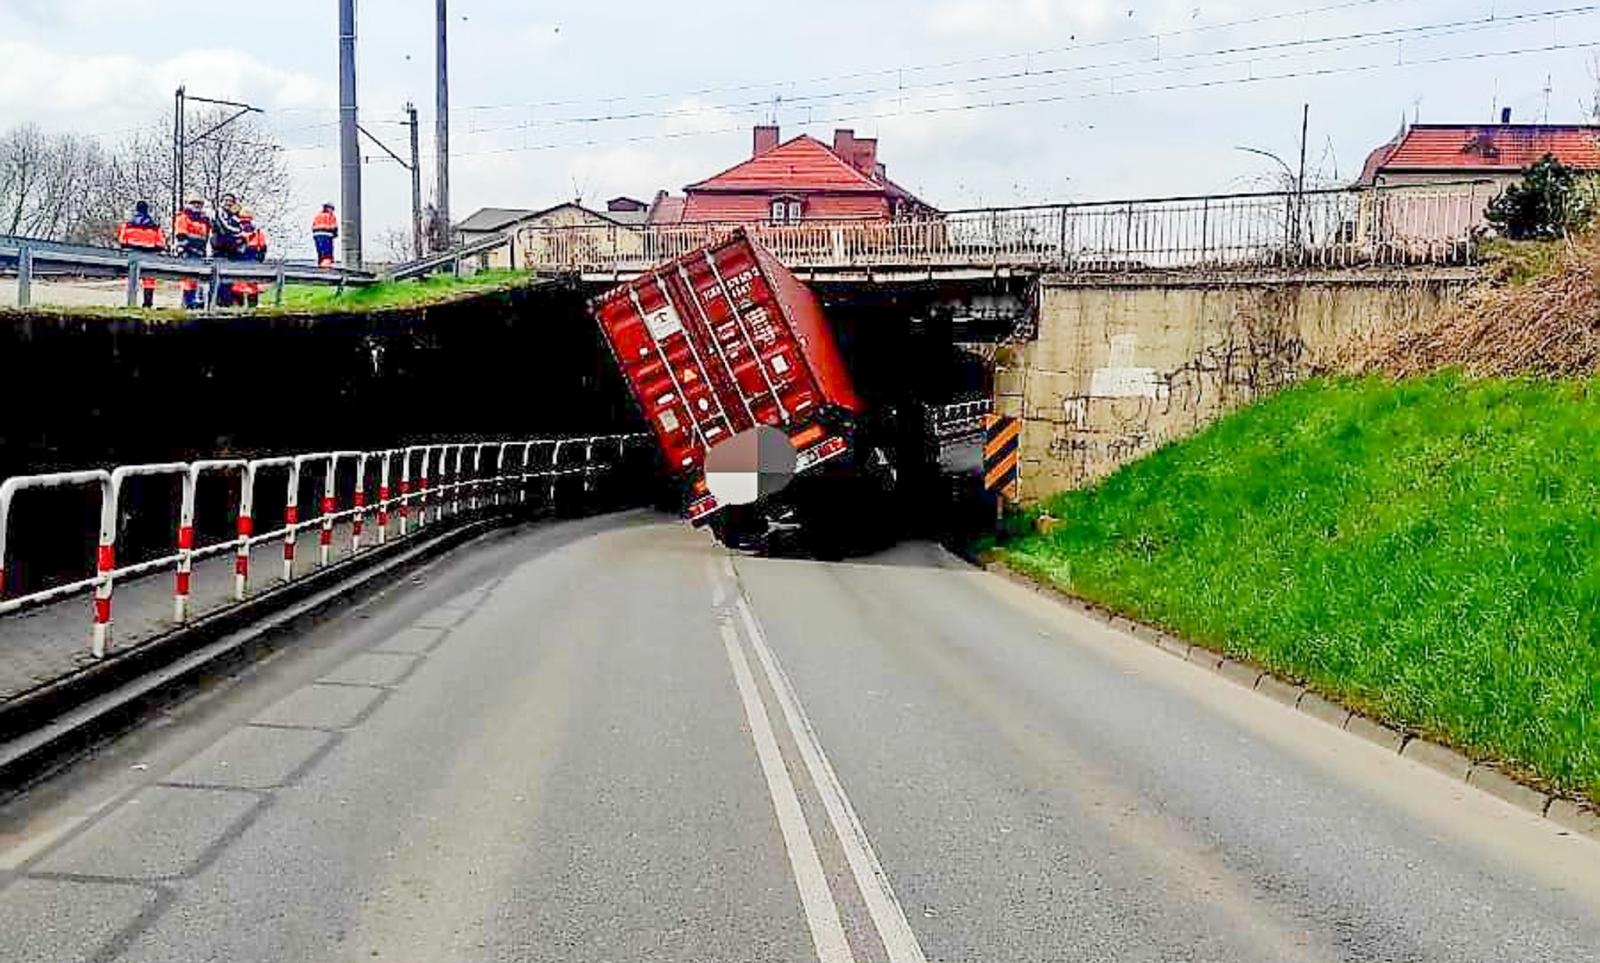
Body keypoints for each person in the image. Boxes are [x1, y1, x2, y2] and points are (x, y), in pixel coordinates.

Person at [116, 200, 166, 308]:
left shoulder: (128, 225)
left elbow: (122, 241)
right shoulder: (154, 227)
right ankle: (147, 304)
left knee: (133, 278)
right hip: (149, 255)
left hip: (133, 255)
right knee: (149, 280)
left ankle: (131, 303)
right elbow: (161, 244)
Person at [172, 197, 212, 310]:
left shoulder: (204, 220)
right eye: (194, 203)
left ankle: (196, 303)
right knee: (188, 280)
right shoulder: (183, 217)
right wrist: (184, 249)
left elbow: (205, 237)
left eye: (199, 203)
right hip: (188, 252)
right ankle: (188, 304)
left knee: (198, 280)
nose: (197, 205)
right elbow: (181, 235)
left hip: (200, 253)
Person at [235, 209, 269, 308]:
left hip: (253, 262)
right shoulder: (236, 232)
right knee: (238, 287)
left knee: (252, 287)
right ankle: (239, 307)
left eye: (247, 221)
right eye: (243, 221)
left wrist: (259, 260)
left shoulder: (258, 233)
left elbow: (263, 249)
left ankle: (252, 307)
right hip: (239, 263)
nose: (245, 224)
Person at [312, 203, 338, 268]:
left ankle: (320, 265)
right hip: (327, 235)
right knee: (327, 254)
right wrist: (335, 234)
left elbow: (313, 226)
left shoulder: (317, 215)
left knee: (320, 253)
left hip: (317, 235)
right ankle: (326, 268)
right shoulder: (331, 216)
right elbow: (334, 227)